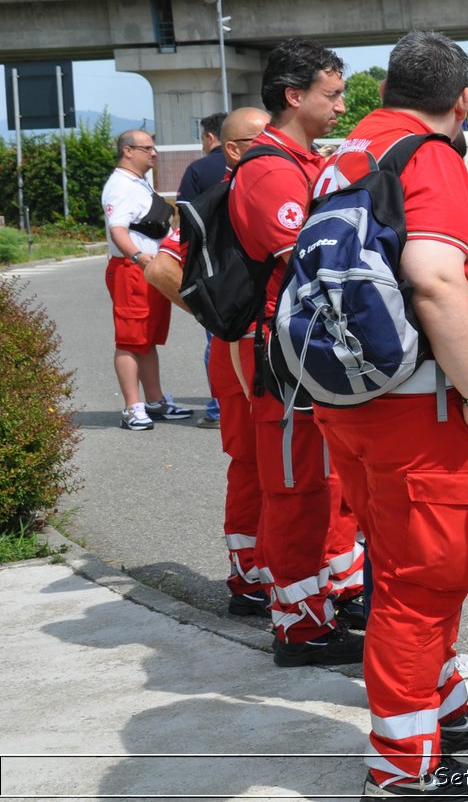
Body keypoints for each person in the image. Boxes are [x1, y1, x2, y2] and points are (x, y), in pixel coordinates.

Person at [313, 31, 468, 800]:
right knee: (417, 587)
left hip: (364, 403)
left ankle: (433, 718)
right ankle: (402, 769)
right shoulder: (427, 156)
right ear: (460, 102)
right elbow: (433, 279)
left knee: (402, 571)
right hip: (422, 411)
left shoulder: (353, 150)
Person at [227, 38, 365, 666]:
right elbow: (310, 259)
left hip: (308, 351)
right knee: (294, 490)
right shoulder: (270, 169)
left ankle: (320, 605)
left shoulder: (300, 160)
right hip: (286, 356)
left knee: (320, 486)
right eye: (331, 94)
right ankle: (298, 626)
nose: (341, 106)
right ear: (293, 95)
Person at [145, 107, 274, 617]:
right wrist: (225, 321)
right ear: (233, 149)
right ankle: (264, 579)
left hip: (251, 346)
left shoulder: (262, 190)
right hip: (247, 348)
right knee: (267, 464)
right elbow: (160, 269)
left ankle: (259, 577)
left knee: (266, 464)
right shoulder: (221, 200)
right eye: (263, 138)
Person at [101, 129, 191, 431]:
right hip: (132, 271)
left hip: (148, 271)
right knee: (129, 339)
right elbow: (118, 230)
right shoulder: (119, 186)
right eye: (147, 148)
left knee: (147, 338)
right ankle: (132, 407)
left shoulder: (138, 183)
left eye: (154, 148)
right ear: (128, 151)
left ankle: (154, 401)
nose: (154, 153)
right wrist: (140, 257)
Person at [178, 111, 230, 429]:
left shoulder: (198, 170)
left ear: (210, 137)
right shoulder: (258, 163)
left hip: (212, 269)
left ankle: (218, 408)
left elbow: (185, 223)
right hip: (256, 266)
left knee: (217, 340)